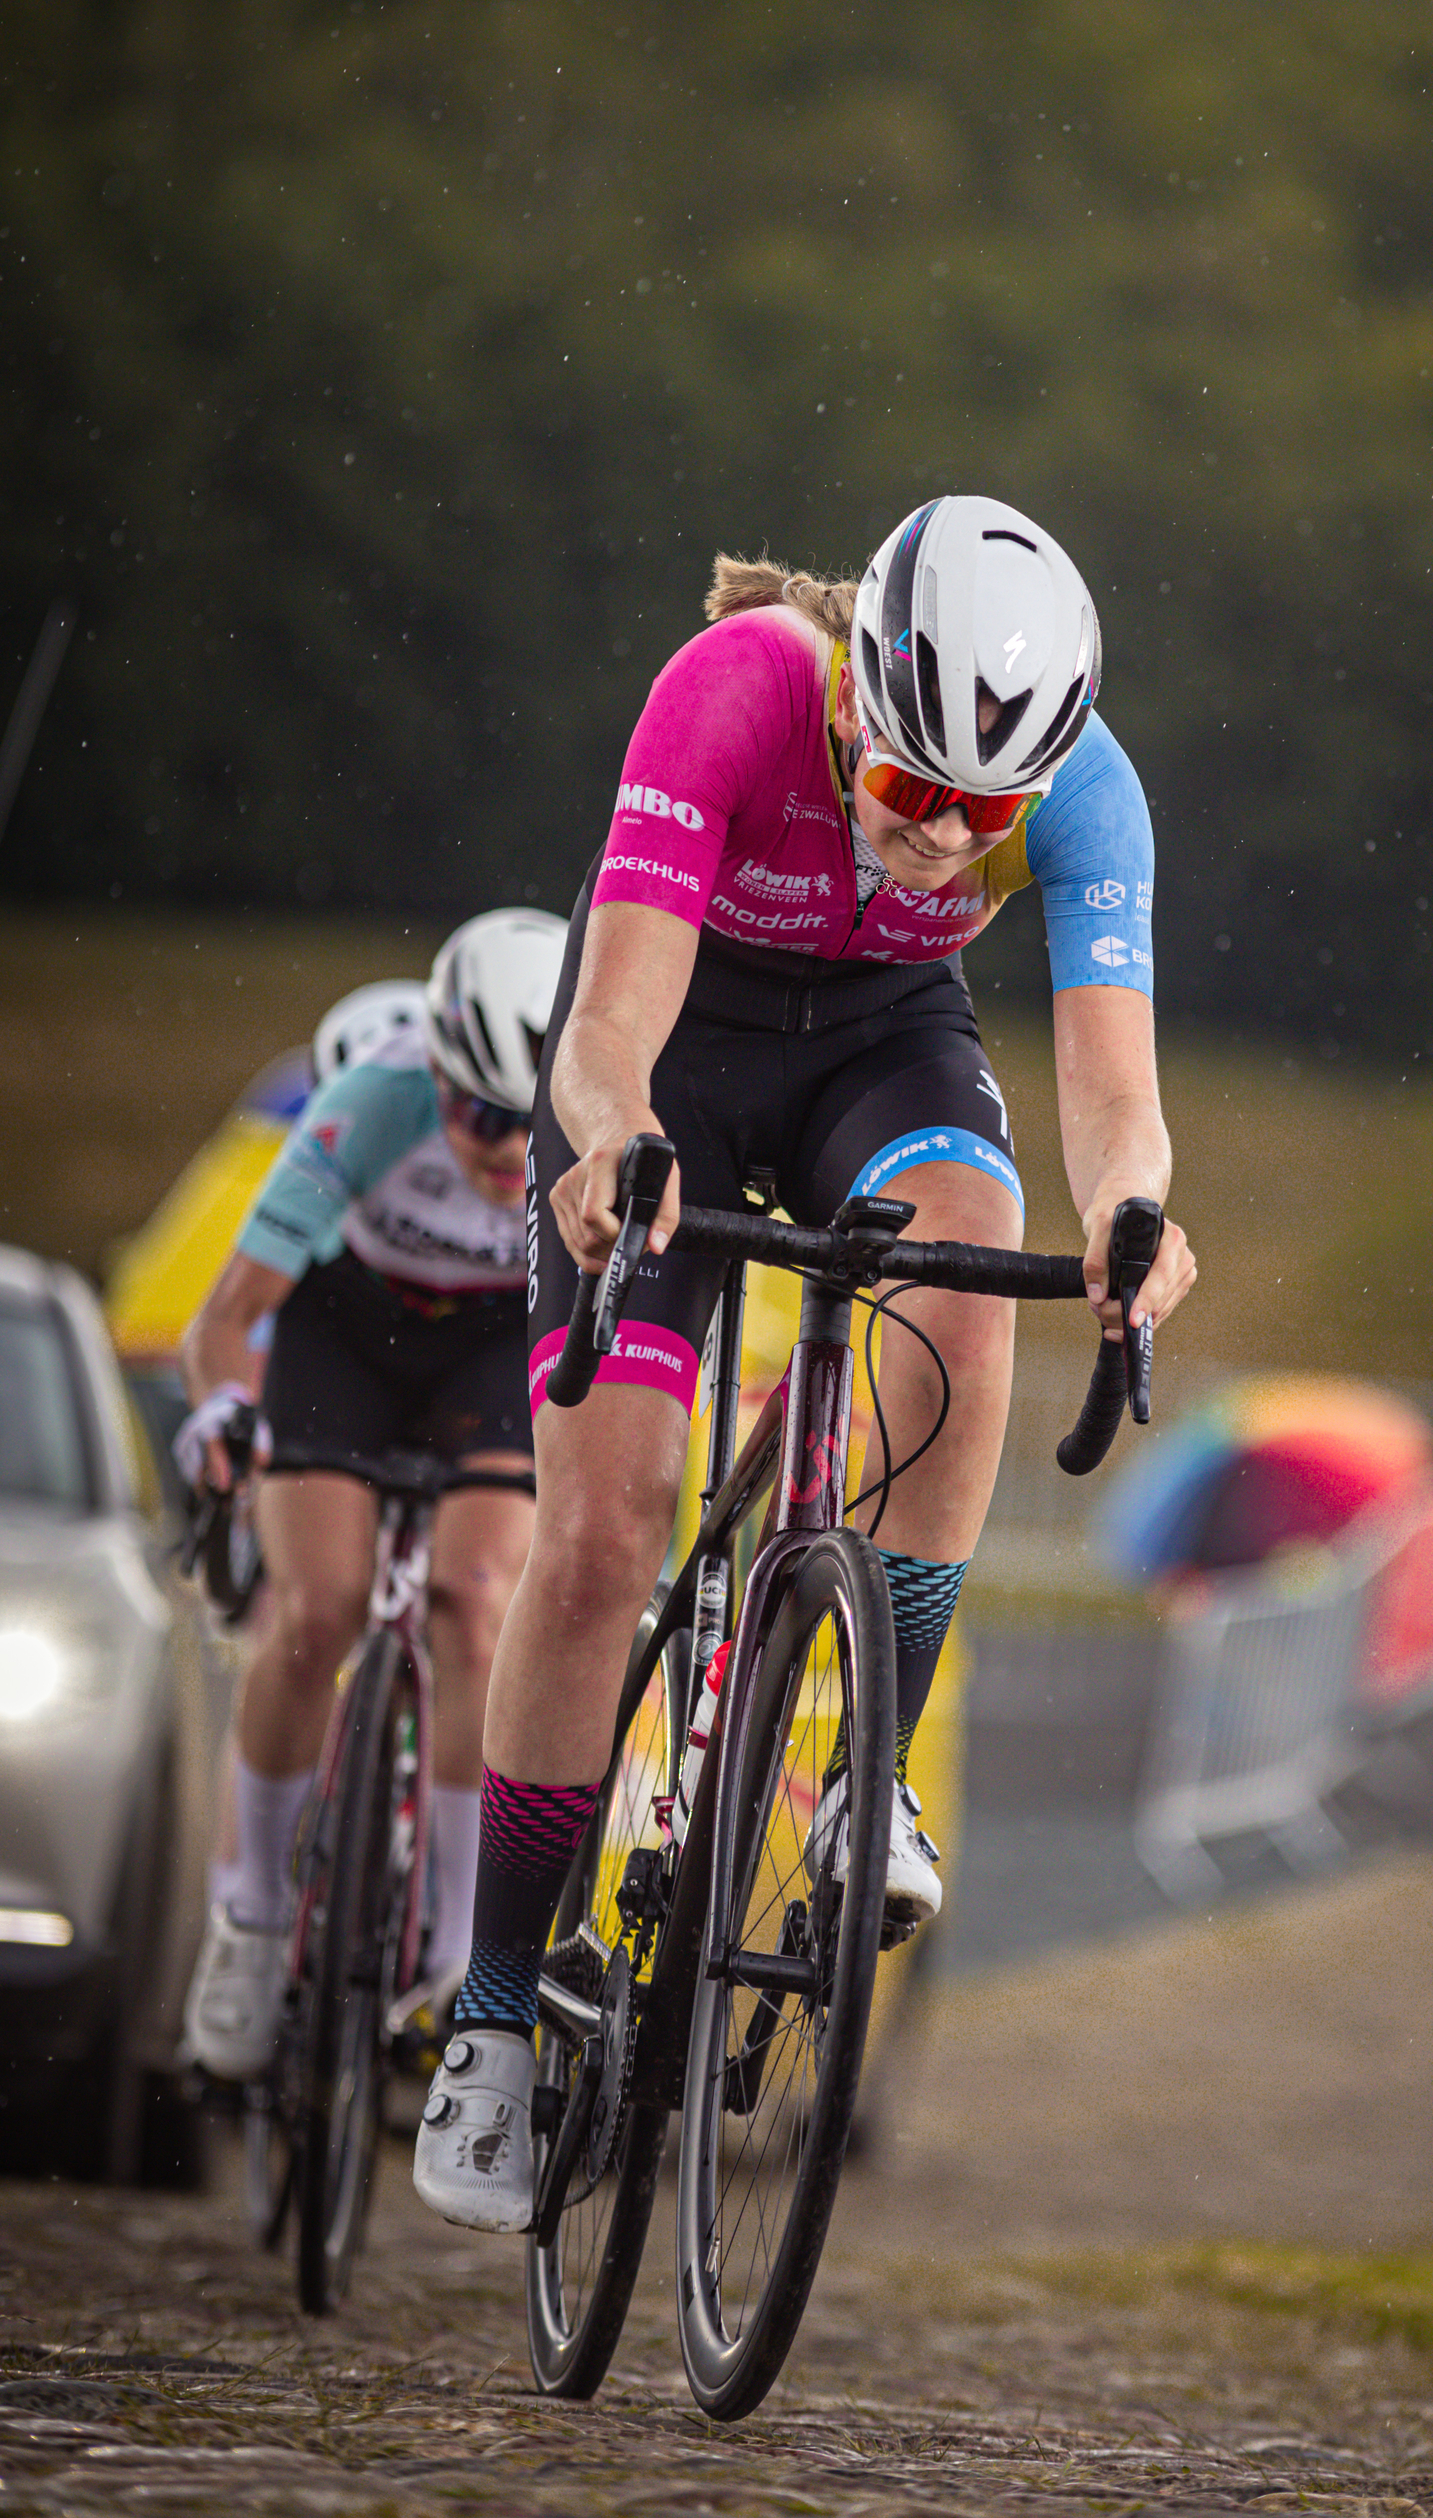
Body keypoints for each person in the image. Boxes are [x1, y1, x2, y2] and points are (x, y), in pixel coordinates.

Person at [413, 495, 1196, 2229]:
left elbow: (1117, 1102)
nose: (937, 842)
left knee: (967, 1299)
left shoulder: (1084, 789)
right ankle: (488, 2011)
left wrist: (1139, 1215)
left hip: (879, 1053)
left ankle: (860, 1784)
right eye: (909, 788)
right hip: (674, 1042)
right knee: (606, 1531)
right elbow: (608, 1023)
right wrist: (615, 1143)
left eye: (979, 819)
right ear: (858, 700)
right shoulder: (741, 688)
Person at [176, 910, 566, 2081]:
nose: (505, 1152)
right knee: (316, 1611)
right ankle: (245, 1925)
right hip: (346, 1329)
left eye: (529, 1122)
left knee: (475, 1609)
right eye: (479, 1117)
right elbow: (226, 1321)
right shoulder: (371, 1103)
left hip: (492, 1345)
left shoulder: (597, 1112)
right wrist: (218, 1413)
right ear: (436, 1071)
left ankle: (455, 1955)